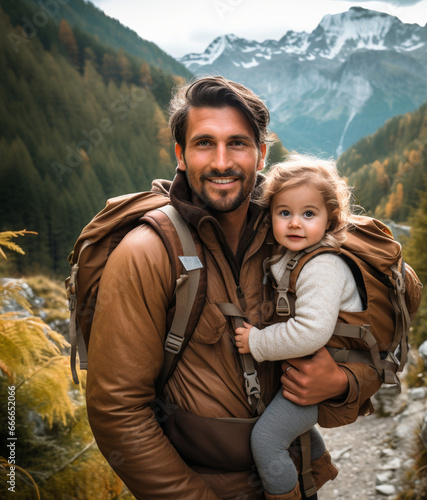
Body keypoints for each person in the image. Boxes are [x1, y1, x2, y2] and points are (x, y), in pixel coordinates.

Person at [85, 76, 381, 500]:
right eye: (205, 143)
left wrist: (341, 382)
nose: (222, 161)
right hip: (202, 485)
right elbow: (118, 413)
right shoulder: (147, 253)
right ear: (180, 155)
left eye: (238, 143)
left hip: (297, 480)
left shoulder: (295, 238)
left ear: (261, 153)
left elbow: (368, 346)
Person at [234, 154, 363, 497]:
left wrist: (257, 342)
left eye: (309, 214)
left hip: (323, 371)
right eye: (284, 212)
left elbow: (310, 333)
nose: (295, 223)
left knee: (266, 441)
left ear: (329, 218)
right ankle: (319, 470)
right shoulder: (296, 255)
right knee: (289, 425)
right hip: (312, 366)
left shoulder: (322, 267)